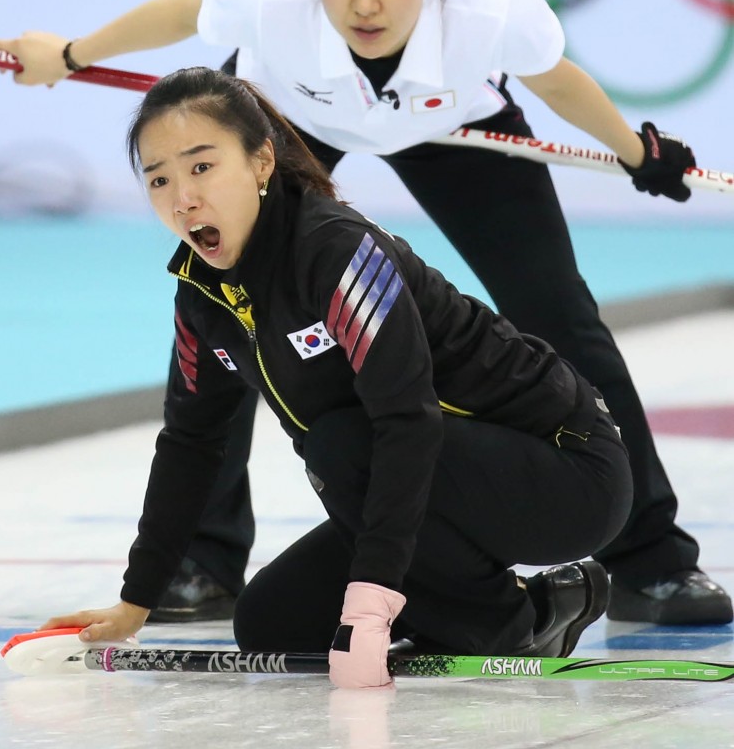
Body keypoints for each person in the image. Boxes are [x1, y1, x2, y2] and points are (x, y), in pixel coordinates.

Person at [0, 0, 732, 627]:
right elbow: (188, 11)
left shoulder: (490, 9)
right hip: (289, 121)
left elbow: (555, 80)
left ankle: (652, 561)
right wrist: (71, 54)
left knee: (559, 311)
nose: (363, 1)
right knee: (226, 310)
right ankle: (203, 561)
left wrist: (637, 152)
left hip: (453, 124)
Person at [41, 66, 634, 689]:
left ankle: (507, 624)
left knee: (341, 442)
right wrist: (135, 602)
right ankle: (548, 606)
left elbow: (405, 421)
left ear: (262, 161)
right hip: (431, 477)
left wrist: (370, 605)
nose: (181, 197)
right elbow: (191, 443)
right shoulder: (201, 294)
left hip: (568, 471)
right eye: (157, 178)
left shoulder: (335, 252)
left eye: (201, 167)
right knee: (272, 625)